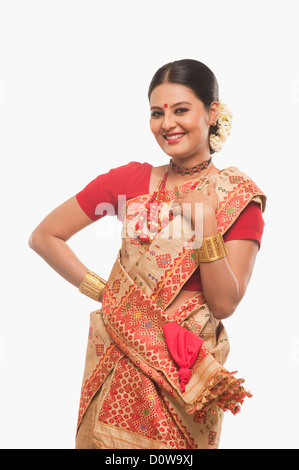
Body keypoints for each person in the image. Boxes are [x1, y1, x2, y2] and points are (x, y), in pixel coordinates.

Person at [28, 59, 266, 449]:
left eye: (181, 110)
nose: (167, 123)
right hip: (117, 360)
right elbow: (45, 236)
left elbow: (224, 303)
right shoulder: (130, 181)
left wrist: (206, 223)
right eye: (157, 113)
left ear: (213, 113)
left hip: (183, 377)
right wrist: (105, 293)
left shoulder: (239, 199)